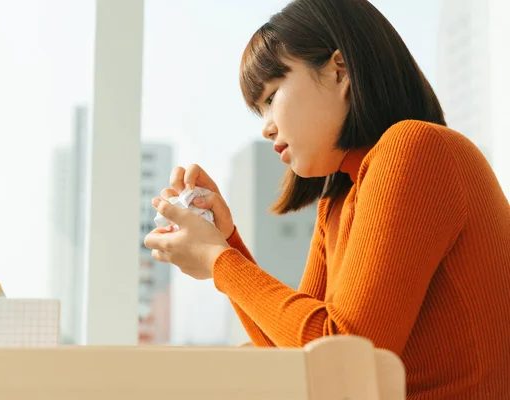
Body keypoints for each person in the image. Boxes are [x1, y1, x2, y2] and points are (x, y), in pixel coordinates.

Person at [144, 0, 510, 397]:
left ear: (341, 70)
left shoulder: (416, 149)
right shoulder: (337, 203)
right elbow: (297, 360)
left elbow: (344, 360)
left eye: (270, 97)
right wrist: (226, 244)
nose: (266, 128)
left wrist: (219, 261)